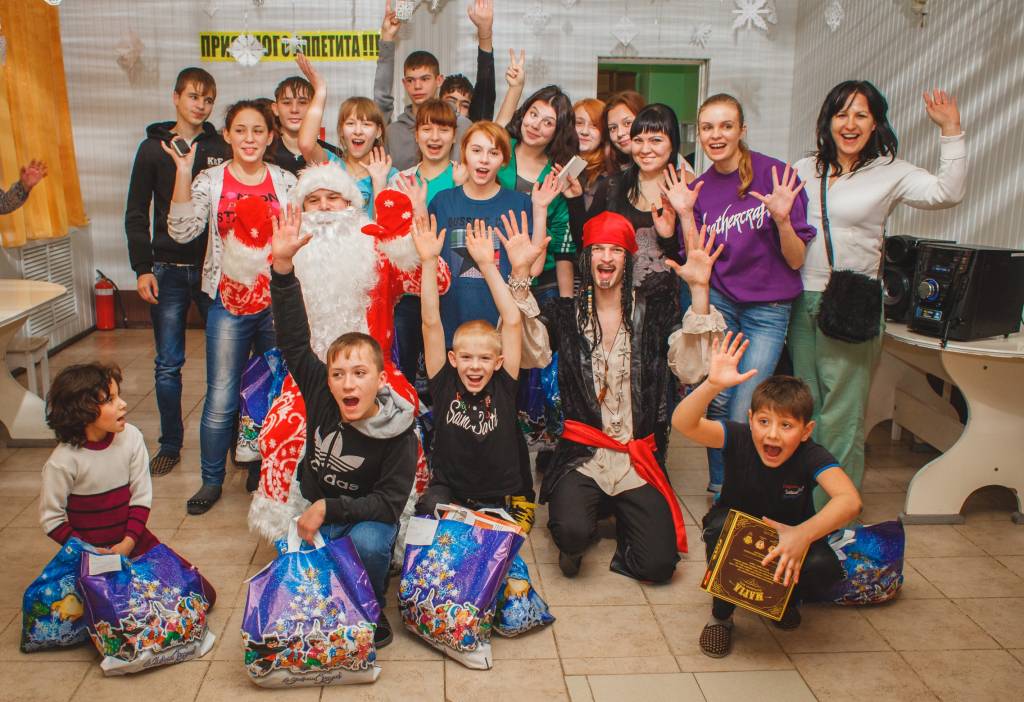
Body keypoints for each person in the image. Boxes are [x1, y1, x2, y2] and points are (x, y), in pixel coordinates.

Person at [507, 208, 728, 582]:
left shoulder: (654, 310)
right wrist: (519, 275)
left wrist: (699, 289)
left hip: (636, 458)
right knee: (571, 532)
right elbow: (528, 352)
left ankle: (626, 522)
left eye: (616, 250)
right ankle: (585, 525)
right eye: (598, 249)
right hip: (583, 456)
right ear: (586, 258)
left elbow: (690, 369)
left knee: (658, 566)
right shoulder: (565, 312)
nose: (606, 257)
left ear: (628, 259)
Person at [248, 171, 450, 541]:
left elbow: (440, 283)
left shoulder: (376, 246)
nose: (324, 208)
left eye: (333, 198)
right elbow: (242, 302)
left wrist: (404, 243)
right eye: (313, 200)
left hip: (376, 375)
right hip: (309, 376)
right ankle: (289, 533)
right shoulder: (287, 248)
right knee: (282, 430)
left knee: (403, 426)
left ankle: (396, 532)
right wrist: (259, 252)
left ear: (351, 204)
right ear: (301, 208)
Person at [789, 83, 966, 502]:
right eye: (841, 114)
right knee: (806, 407)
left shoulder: (891, 171)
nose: (849, 124)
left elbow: (948, 192)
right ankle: (806, 501)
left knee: (842, 413)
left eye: (861, 115)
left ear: (875, 123)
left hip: (852, 301)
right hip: (801, 298)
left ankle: (835, 508)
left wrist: (951, 130)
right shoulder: (804, 168)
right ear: (828, 121)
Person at [269, 208, 420, 648]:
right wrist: (283, 268)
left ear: (380, 380)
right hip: (322, 511)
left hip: (367, 519)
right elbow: (294, 340)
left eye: (359, 374)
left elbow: (388, 504)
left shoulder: (399, 431)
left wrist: (328, 509)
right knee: (299, 580)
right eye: (338, 374)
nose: (348, 384)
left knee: (369, 545)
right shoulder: (321, 390)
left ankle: (371, 605)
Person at [670, 337, 862, 657]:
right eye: (763, 422)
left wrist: (801, 535)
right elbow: (683, 423)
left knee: (825, 567)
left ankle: (781, 601)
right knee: (720, 529)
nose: (772, 434)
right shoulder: (738, 437)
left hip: (789, 539)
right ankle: (721, 618)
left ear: (806, 431)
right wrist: (712, 385)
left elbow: (850, 500)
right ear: (750, 420)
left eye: (786, 425)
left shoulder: (811, 454)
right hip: (735, 529)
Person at [664, 93, 816, 494]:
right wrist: (684, 213)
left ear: (742, 130)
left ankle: (744, 489)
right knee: (716, 398)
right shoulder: (699, 189)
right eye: (708, 127)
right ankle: (721, 489)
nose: (716, 135)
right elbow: (697, 259)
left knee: (747, 402)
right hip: (723, 303)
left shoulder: (776, 176)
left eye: (726, 126)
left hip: (769, 308)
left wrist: (782, 220)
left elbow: (796, 259)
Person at [165, 100, 297, 514]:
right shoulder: (210, 179)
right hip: (228, 303)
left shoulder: (286, 181)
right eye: (240, 130)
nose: (249, 139)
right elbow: (182, 231)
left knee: (273, 391)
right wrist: (182, 172)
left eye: (258, 131)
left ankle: (261, 466)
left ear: (271, 136)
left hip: (276, 303)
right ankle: (211, 479)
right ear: (227, 135)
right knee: (222, 394)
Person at [124, 67, 229, 477]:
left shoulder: (221, 147)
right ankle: (170, 443)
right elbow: (137, 211)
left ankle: (229, 441)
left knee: (225, 363)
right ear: (176, 97)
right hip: (166, 269)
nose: (200, 105)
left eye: (208, 99)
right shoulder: (153, 149)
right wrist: (142, 268)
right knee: (168, 364)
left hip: (211, 269)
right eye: (193, 96)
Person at [411, 214, 533, 528]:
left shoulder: (504, 383)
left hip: (495, 495)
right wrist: (428, 262)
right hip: (449, 490)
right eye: (466, 357)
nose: (475, 366)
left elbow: (513, 321)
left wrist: (487, 265)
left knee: (491, 549)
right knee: (428, 518)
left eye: (484, 358)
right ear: (452, 359)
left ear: (498, 361)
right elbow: (430, 323)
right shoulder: (444, 382)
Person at [428, 121, 554, 347]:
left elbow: (534, 269)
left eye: (493, 153)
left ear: (504, 160)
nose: (484, 159)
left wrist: (540, 209)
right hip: (450, 328)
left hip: (503, 329)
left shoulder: (519, 204)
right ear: (464, 153)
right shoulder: (442, 202)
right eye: (476, 150)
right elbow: (427, 263)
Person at [40, 363, 157, 558]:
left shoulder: (132, 437)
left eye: (118, 395)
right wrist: (89, 551)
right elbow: (51, 519)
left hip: (136, 543)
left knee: (189, 579)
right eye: (110, 400)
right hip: (88, 555)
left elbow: (141, 497)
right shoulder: (61, 462)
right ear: (82, 411)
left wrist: (128, 543)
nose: (123, 404)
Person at [388, 98, 463, 395]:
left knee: (447, 373)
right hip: (410, 292)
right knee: (405, 370)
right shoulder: (401, 180)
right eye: (427, 129)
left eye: (443, 129)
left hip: (454, 290)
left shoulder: (464, 176)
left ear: (454, 136)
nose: (435, 137)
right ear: (416, 134)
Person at [568, 104, 687, 288]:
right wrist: (575, 200)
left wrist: (669, 238)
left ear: (673, 144)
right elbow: (585, 243)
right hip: (613, 297)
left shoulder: (683, 191)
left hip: (665, 299)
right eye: (638, 140)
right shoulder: (612, 186)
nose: (645, 149)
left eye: (656, 140)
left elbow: (688, 264)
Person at [373, 0, 495, 170]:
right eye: (411, 80)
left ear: (438, 80)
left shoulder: (462, 125)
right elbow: (382, 101)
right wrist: (387, 39)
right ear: (404, 84)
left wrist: (485, 34)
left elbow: (485, 97)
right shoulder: (393, 132)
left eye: (425, 79)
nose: (417, 86)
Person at [295, 54, 397, 218]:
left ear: (378, 131)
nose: (358, 131)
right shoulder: (331, 166)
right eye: (350, 123)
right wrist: (320, 90)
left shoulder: (391, 175)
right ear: (341, 130)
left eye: (366, 124)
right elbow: (306, 144)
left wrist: (379, 183)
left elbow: (387, 228)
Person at [500, 85, 577, 298]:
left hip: (541, 281)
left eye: (548, 122)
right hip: (493, 269)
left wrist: (566, 301)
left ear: (558, 131)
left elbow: (563, 243)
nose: (535, 125)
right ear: (524, 113)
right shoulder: (499, 149)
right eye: (533, 114)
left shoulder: (557, 174)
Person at [269, 75, 342, 176]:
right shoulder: (264, 154)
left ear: (314, 107)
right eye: (287, 103)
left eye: (302, 102)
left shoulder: (333, 155)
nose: (294, 109)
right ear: (275, 109)